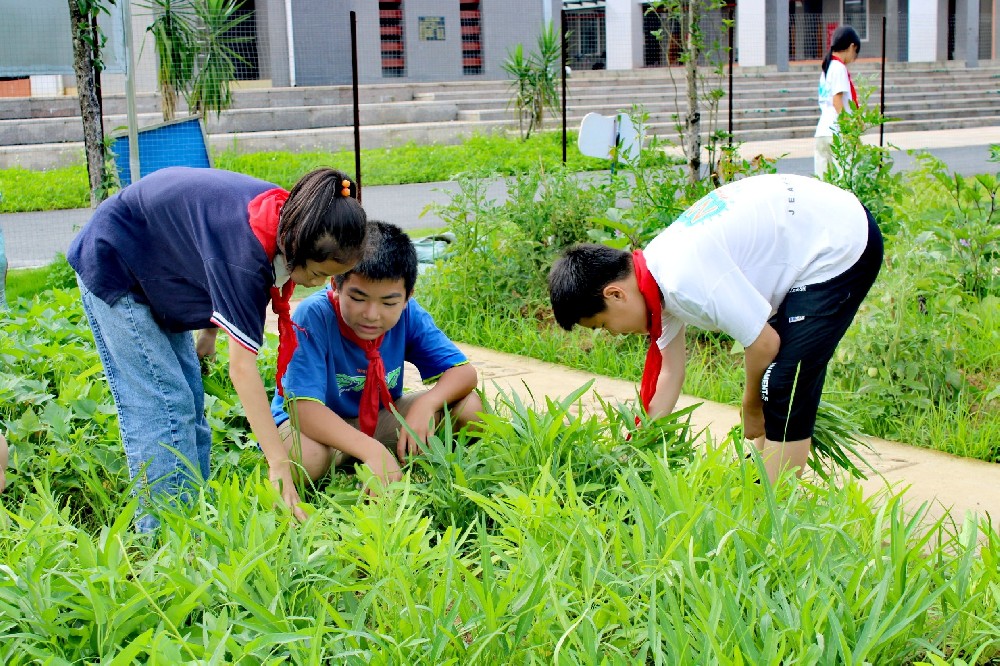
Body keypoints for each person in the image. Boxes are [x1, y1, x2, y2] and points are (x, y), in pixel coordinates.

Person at [68, 166, 368, 531]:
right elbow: (241, 370)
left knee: (189, 398)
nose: (320, 284)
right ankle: (163, 538)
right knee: (162, 403)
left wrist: (209, 333)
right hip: (118, 259)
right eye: (319, 274)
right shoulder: (247, 257)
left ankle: (195, 519)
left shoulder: (292, 216)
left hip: (159, 265)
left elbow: (204, 242)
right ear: (297, 248)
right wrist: (279, 463)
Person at [548, 174, 883, 483]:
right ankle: (761, 487)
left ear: (615, 294)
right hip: (801, 231)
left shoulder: (683, 280)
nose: (614, 334)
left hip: (838, 239)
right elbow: (669, 374)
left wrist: (751, 406)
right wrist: (636, 451)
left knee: (785, 382)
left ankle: (776, 510)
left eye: (603, 325)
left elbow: (764, 343)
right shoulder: (653, 279)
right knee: (777, 378)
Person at [271, 220, 482, 486]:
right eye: (358, 298)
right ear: (336, 286)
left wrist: (427, 405)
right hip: (315, 429)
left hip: (380, 417)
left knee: (469, 408)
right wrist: (372, 450)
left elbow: (463, 372)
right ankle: (368, 457)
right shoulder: (313, 315)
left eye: (389, 302)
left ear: (407, 296)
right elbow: (303, 410)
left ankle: (372, 457)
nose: (372, 315)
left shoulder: (409, 313)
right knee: (306, 459)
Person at [815, 26, 861, 177]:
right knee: (847, 178)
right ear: (851, 46)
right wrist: (848, 127)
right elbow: (837, 101)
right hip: (838, 132)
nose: (854, 59)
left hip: (822, 130)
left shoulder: (827, 68)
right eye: (855, 53)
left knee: (823, 182)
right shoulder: (839, 67)